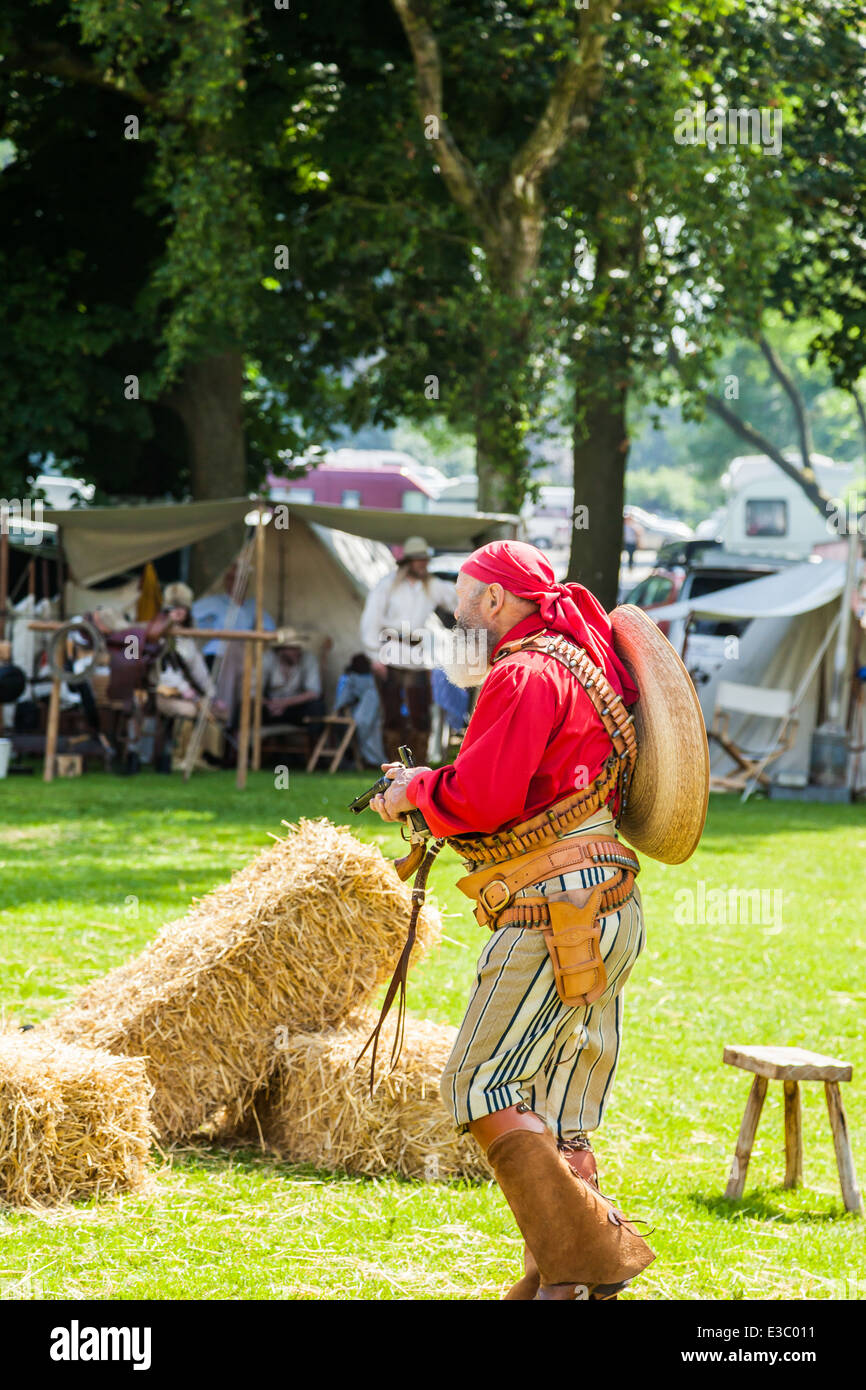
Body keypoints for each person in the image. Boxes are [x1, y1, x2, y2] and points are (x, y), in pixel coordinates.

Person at [370, 539, 655, 1301]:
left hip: (553, 912)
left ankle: (592, 1258)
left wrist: (413, 793)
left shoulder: (524, 670)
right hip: (606, 903)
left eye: (461, 605)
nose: (455, 618)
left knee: (478, 1083)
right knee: (558, 1108)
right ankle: (556, 1287)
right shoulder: (578, 663)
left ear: (495, 602)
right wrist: (437, 787)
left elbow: (486, 798)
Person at [360, 536, 457, 761]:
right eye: (419, 559)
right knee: (392, 715)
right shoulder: (388, 585)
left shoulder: (431, 585)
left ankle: (417, 766)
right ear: (408, 561)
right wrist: (374, 655)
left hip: (417, 656)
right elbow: (371, 620)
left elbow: (457, 599)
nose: (423, 564)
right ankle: (394, 767)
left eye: (425, 559)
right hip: (390, 652)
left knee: (421, 714)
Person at [157, 582, 227, 770]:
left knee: (216, 710)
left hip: (188, 692)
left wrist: (211, 694)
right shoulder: (159, 636)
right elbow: (163, 671)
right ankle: (178, 756)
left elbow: (199, 671)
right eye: (174, 608)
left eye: (182, 608)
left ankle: (201, 756)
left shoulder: (188, 637)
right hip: (164, 693)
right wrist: (184, 689)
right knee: (192, 710)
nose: (178, 612)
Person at [258, 629, 324, 730]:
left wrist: (284, 703)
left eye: (298, 647)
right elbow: (254, 692)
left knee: (317, 708)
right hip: (270, 707)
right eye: (293, 648)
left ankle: (317, 745)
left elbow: (314, 692)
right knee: (246, 709)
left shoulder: (308, 658)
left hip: (295, 708)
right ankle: (241, 743)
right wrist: (271, 705)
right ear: (281, 650)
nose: (297, 652)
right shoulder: (267, 658)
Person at [334, 653, 385, 768]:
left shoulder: (370, 683)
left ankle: (372, 761)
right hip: (358, 715)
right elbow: (343, 700)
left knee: (371, 733)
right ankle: (368, 760)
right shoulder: (351, 679)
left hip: (369, 715)